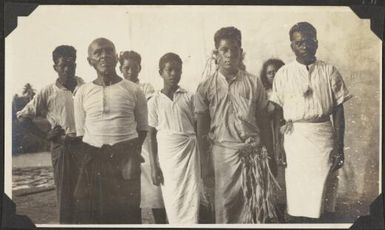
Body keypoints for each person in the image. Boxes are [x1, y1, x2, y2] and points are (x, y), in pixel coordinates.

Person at [269, 22, 352, 222]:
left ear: (316, 43)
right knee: (298, 199)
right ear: (292, 46)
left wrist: (339, 147)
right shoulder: (284, 74)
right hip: (295, 139)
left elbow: (339, 112)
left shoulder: (329, 71)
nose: (304, 46)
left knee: (324, 197)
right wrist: (279, 147)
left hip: (324, 137)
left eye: (308, 41)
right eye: (299, 43)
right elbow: (277, 113)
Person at [195, 26, 274, 223]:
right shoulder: (206, 86)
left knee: (253, 208)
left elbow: (264, 123)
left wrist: (271, 155)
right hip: (222, 157)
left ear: (241, 51)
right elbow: (202, 131)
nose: (230, 54)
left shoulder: (253, 83)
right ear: (216, 53)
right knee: (225, 208)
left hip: (252, 155)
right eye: (224, 50)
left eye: (235, 49)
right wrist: (205, 167)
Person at [73, 38, 148, 224]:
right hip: (94, 162)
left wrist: (132, 155)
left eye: (109, 51)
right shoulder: (82, 92)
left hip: (125, 160)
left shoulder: (133, 89)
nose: (104, 55)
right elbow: (81, 133)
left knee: (128, 216)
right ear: (90, 60)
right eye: (98, 52)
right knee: (95, 218)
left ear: (116, 57)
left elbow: (143, 128)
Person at [16, 45, 84, 224]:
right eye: (63, 66)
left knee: (89, 198)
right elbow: (22, 117)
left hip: (86, 147)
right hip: (63, 147)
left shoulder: (86, 87)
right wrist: (45, 135)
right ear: (55, 67)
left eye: (71, 65)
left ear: (76, 64)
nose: (68, 69)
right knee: (66, 199)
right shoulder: (47, 91)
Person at [148, 52, 200, 224]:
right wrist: (154, 167)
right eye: (169, 70)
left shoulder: (189, 97)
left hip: (189, 155)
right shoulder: (154, 101)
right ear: (160, 72)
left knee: (192, 198)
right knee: (172, 200)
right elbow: (151, 135)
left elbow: (198, 127)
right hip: (167, 158)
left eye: (177, 70)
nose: (173, 74)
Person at [118, 50, 167, 224]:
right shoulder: (117, 89)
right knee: (131, 198)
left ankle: (162, 224)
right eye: (126, 68)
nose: (130, 72)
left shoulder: (146, 88)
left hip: (145, 144)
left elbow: (144, 114)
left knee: (155, 194)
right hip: (125, 146)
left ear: (140, 68)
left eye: (134, 68)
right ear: (120, 68)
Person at [260, 58, 287, 222]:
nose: (274, 75)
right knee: (273, 175)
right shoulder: (264, 94)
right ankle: (273, 215)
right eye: (270, 73)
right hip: (272, 138)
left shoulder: (291, 90)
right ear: (265, 76)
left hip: (291, 136)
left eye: (277, 71)